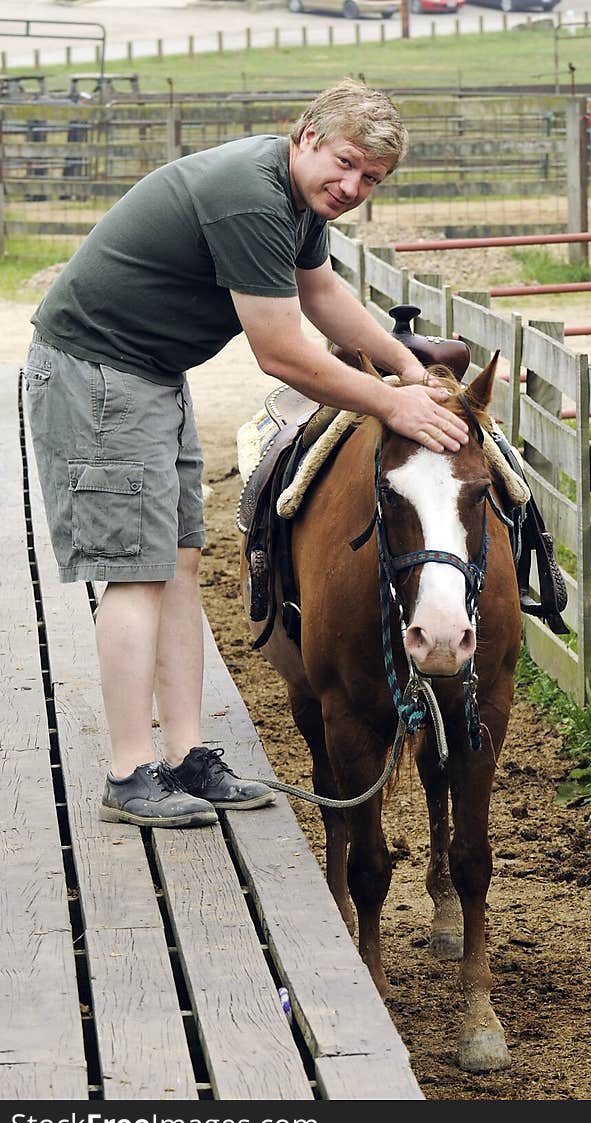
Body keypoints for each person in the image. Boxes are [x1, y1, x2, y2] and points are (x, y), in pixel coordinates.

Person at [23, 77, 470, 830]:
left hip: (149, 373)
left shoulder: (295, 201)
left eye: (372, 179)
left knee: (178, 563)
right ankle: (130, 770)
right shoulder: (249, 196)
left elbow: (322, 297)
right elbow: (282, 352)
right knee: (135, 571)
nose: (352, 185)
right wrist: (395, 403)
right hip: (96, 371)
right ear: (306, 137)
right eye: (347, 163)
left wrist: (406, 367)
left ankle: (189, 753)